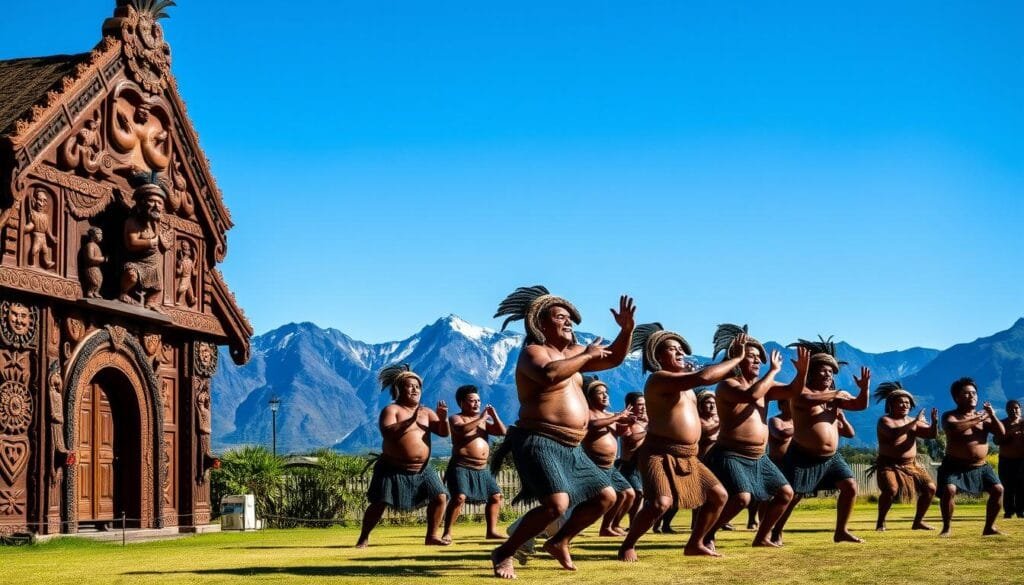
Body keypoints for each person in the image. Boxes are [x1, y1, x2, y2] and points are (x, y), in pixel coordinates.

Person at [489, 285, 635, 578]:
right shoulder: (533, 352)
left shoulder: (576, 352)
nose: (568, 322)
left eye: (569, 317)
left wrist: (626, 330)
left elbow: (615, 358)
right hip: (538, 440)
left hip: (572, 446)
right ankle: (503, 553)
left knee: (606, 497)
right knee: (556, 505)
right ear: (541, 323)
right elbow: (550, 374)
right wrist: (587, 356)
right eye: (560, 317)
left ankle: (559, 541)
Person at [617, 323, 746, 561]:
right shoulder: (659, 379)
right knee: (659, 504)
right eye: (672, 350)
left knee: (719, 495)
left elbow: (710, 375)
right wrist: (736, 358)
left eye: (680, 350)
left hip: (688, 454)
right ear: (658, 356)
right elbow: (706, 376)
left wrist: (732, 360)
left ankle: (695, 543)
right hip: (658, 452)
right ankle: (627, 544)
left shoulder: (685, 383)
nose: (679, 353)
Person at [702, 324, 809, 549]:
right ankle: (708, 534)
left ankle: (761, 537)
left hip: (759, 457)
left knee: (785, 493)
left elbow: (793, 391)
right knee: (742, 498)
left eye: (760, 358)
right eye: (751, 357)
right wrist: (773, 371)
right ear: (737, 359)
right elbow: (751, 396)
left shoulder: (765, 387)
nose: (758, 362)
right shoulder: (727, 385)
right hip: (730, 454)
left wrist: (802, 373)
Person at [773, 336, 871, 545]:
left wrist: (864, 388)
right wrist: (835, 394)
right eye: (823, 370)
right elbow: (806, 399)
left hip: (831, 457)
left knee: (850, 486)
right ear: (810, 373)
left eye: (830, 371)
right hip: (802, 454)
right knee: (793, 495)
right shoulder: (800, 391)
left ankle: (841, 531)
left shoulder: (833, 397)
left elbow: (860, 405)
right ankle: (776, 531)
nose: (827, 374)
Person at [356, 364, 449, 548]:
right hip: (392, 467)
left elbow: (443, 433)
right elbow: (387, 432)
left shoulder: (427, 412)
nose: (415, 389)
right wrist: (411, 419)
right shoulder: (392, 410)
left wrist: (443, 417)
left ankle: (431, 536)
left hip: (422, 468)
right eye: (410, 386)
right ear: (399, 389)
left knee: (440, 497)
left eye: (418, 386)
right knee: (379, 503)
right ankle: (364, 537)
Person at [938, 377, 1005, 536]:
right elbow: (953, 428)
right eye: (967, 393)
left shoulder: (985, 417)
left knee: (998, 489)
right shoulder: (950, 416)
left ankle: (989, 527)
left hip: (981, 466)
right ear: (956, 398)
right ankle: (946, 528)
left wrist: (992, 416)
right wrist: (979, 418)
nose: (972, 396)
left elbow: (1001, 434)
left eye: (974, 393)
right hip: (954, 465)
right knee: (949, 490)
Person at [442, 384, 507, 543]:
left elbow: (502, 432)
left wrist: (494, 415)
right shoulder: (455, 418)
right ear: (462, 403)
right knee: (459, 497)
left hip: (482, 468)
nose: (477, 403)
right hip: (461, 465)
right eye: (472, 401)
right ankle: (447, 532)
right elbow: (462, 430)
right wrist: (482, 418)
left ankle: (491, 531)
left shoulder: (483, 421)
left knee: (496, 496)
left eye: (478, 400)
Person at [872, 381, 938, 531]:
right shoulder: (884, 420)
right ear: (891, 405)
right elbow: (894, 434)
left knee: (930, 488)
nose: (905, 405)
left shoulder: (911, 421)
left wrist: (934, 423)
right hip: (887, 464)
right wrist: (915, 421)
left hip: (910, 465)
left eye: (907, 403)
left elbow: (931, 435)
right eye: (900, 402)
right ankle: (880, 522)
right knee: (891, 490)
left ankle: (918, 522)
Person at [582, 376, 637, 536]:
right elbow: (592, 425)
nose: (605, 395)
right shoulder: (588, 414)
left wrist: (629, 423)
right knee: (612, 496)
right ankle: (604, 527)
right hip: (594, 465)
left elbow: (620, 431)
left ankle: (610, 525)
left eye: (606, 392)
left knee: (628, 494)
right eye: (600, 393)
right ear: (590, 397)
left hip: (610, 465)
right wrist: (617, 417)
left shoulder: (609, 415)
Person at [613, 391, 648, 530]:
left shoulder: (647, 421)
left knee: (640, 496)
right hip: (627, 465)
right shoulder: (625, 420)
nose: (643, 408)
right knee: (634, 493)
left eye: (645, 404)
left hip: (642, 465)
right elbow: (629, 440)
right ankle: (614, 523)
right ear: (631, 406)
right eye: (640, 405)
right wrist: (648, 430)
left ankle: (633, 524)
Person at [997, 399, 1024, 518]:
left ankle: (1021, 511)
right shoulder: (1002, 424)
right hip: (1006, 460)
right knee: (1008, 487)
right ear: (1006, 411)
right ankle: (1009, 511)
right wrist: (1012, 431)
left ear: (1020, 409)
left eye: (1016, 408)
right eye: (1011, 409)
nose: (1014, 411)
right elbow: (996, 440)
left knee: (1022, 487)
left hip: (1022, 461)